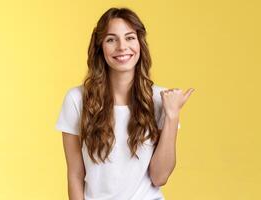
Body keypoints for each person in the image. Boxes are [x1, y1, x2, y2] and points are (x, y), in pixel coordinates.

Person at [55, 7, 194, 200]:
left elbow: (159, 177)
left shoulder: (161, 99)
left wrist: (172, 115)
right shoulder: (77, 99)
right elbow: (75, 175)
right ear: (100, 47)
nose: (122, 47)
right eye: (111, 39)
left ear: (139, 44)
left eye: (130, 38)